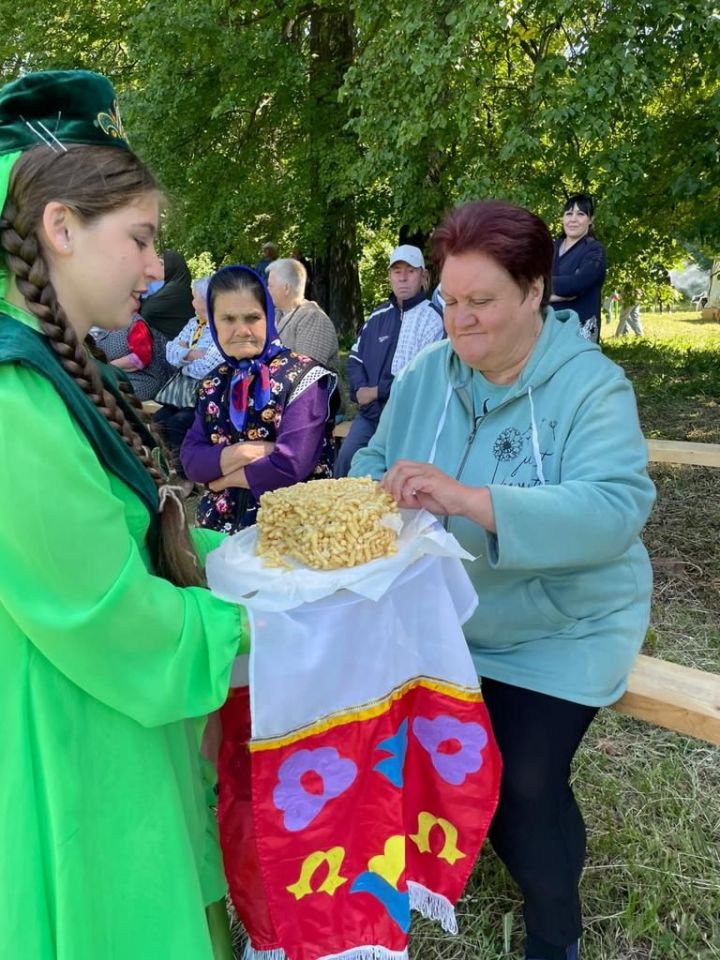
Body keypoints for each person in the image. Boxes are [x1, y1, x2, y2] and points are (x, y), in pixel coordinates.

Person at [350, 200, 655, 960]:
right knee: (402, 744)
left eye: (481, 301)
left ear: (535, 290)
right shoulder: (429, 373)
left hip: (563, 624)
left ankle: (557, 936)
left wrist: (468, 500)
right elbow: (367, 461)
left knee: (520, 780)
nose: (460, 321)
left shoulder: (591, 386)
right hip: (449, 618)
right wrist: (374, 491)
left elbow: (615, 507)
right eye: (450, 301)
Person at [0, 70, 248, 959]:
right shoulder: (11, 396)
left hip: (110, 709)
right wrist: (251, 618)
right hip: (73, 727)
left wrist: (257, 554)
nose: (157, 267)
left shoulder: (68, 366)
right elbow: (106, 610)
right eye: (142, 239)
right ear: (60, 230)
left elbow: (141, 531)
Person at [180, 264, 338, 533]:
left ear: (269, 317)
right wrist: (248, 451)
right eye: (228, 319)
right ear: (214, 324)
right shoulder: (213, 383)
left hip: (289, 534)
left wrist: (220, 481)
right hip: (218, 533)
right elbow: (191, 462)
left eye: (252, 318)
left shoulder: (303, 377)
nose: (241, 330)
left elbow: (291, 466)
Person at [335, 243, 444, 477]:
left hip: (408, 418)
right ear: (389, 277)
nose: (403, 278)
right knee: (346, 459)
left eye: (411, 271)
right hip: (371, 414)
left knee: (392, 474)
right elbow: (355, 360)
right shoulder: (377, 316)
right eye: (397, 271)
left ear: (423, 276)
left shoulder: (432, 319)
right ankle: (339, 514)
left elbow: (420, 378)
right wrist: (360, 390)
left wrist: (375, 391)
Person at [152, 275, 223, 487]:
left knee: (178, 423)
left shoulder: (221, 326)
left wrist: (183, 355)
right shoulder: (194, 324)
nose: (191, 303)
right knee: (158, 420)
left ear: (207, 300)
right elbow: (169, 352)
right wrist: (192, 354)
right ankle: (171, 469)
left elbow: (208, 367)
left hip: (210, 393)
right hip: (184, 394)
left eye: (195, 298)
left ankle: (187, 478)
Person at [266, 256, 340, 371]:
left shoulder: (313, 319)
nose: (267, 290)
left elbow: (304, 371)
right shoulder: (276, 315)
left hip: (309, 388)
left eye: (270, 286)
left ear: (286, 288)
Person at [550, 193, 606, 342]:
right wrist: (564, 290)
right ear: (562, 218)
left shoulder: (594, 250)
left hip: (579, 332)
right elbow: (528, 283)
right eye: (568, 214)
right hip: (548, 329)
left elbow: (577, 284)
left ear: (590, 220)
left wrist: (542, 289)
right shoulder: (550, 248)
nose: (573, 219)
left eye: (580, 214)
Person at [92, 312, 173, 401]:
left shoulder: (135, 323)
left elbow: (140, 359)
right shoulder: (97, 322)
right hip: (110, 376)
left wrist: (107, 368)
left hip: (141, 378)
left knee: (107, 396)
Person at [140, 248, 194, 339]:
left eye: (161, 264)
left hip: (176, 346)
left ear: (171, 266)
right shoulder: (176, 283)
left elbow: (146, 311)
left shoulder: (176, 289)